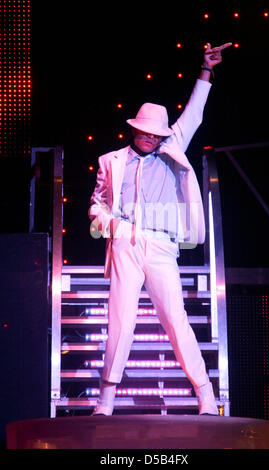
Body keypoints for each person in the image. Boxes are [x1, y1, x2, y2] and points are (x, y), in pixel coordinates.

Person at [89, 42, 232, 416]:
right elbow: (96, 205)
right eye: (146, 132)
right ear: (134, 130)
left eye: (157, 133)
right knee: (120, 321)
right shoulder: (111, 161)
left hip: (162, 245)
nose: (152, 138)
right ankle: (105, 401)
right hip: (125, 242)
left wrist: (205, 70)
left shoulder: (173, 146)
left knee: (175, 319)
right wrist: (112, 226)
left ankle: (205, 396)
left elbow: (194, 114)